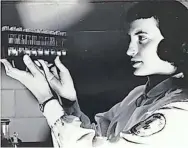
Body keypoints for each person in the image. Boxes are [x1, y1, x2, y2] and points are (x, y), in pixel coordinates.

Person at [1, 1, 188, 148]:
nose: (130, 50)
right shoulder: (138, 95)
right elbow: (96, 137)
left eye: (142, 38)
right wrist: (68, 103)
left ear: (173, 42)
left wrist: (46, 100)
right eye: (130, 39)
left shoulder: (179, 112)